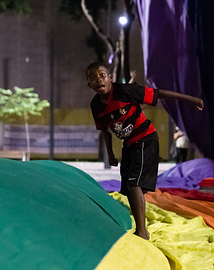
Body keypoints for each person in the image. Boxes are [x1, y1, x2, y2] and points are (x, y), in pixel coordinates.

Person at [86, 62, 203, 240]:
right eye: (93, 78)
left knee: (134, 184)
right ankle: (139, 225)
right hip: (129, 144)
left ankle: (142, 231)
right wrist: (110, 154)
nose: (98, 80)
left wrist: (190, 99)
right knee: (127, 187)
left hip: (145, 138)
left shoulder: (125, 91)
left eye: (102, 75)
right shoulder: (96, 105)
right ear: (89, 85)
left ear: (110, 78)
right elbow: (105, 130)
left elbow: (159, 94)